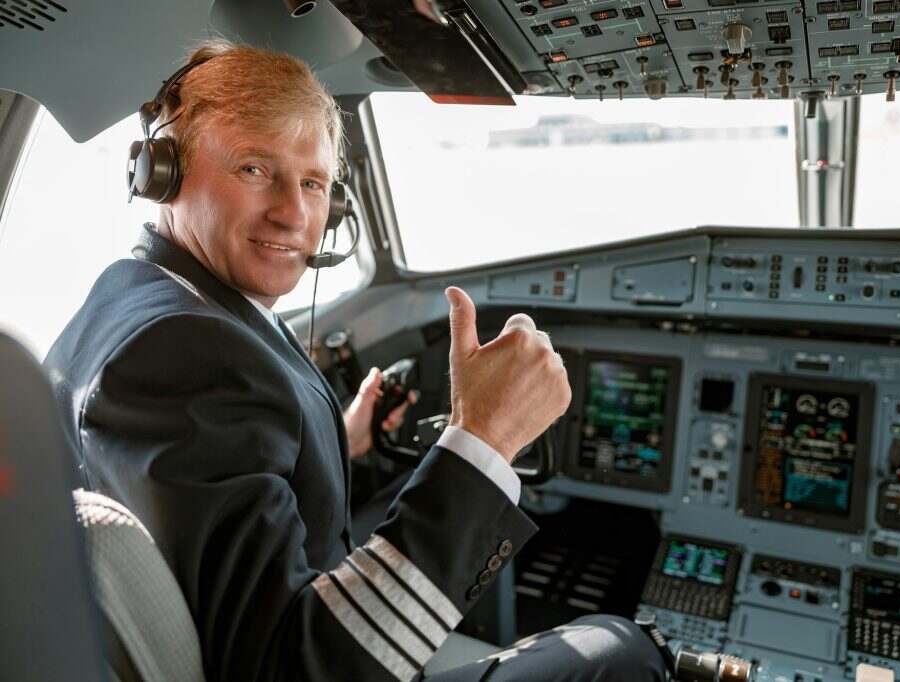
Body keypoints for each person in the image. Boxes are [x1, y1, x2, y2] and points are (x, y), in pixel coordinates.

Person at [45, 40, 666, 682]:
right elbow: (295, 667)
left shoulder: (145, 299)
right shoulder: (179, 353)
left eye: (313, 182)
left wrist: (343, 443)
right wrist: (486, 438)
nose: (293, 213)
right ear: (163, 175)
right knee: (620, 651)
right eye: (254, 169)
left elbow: (217, 502)